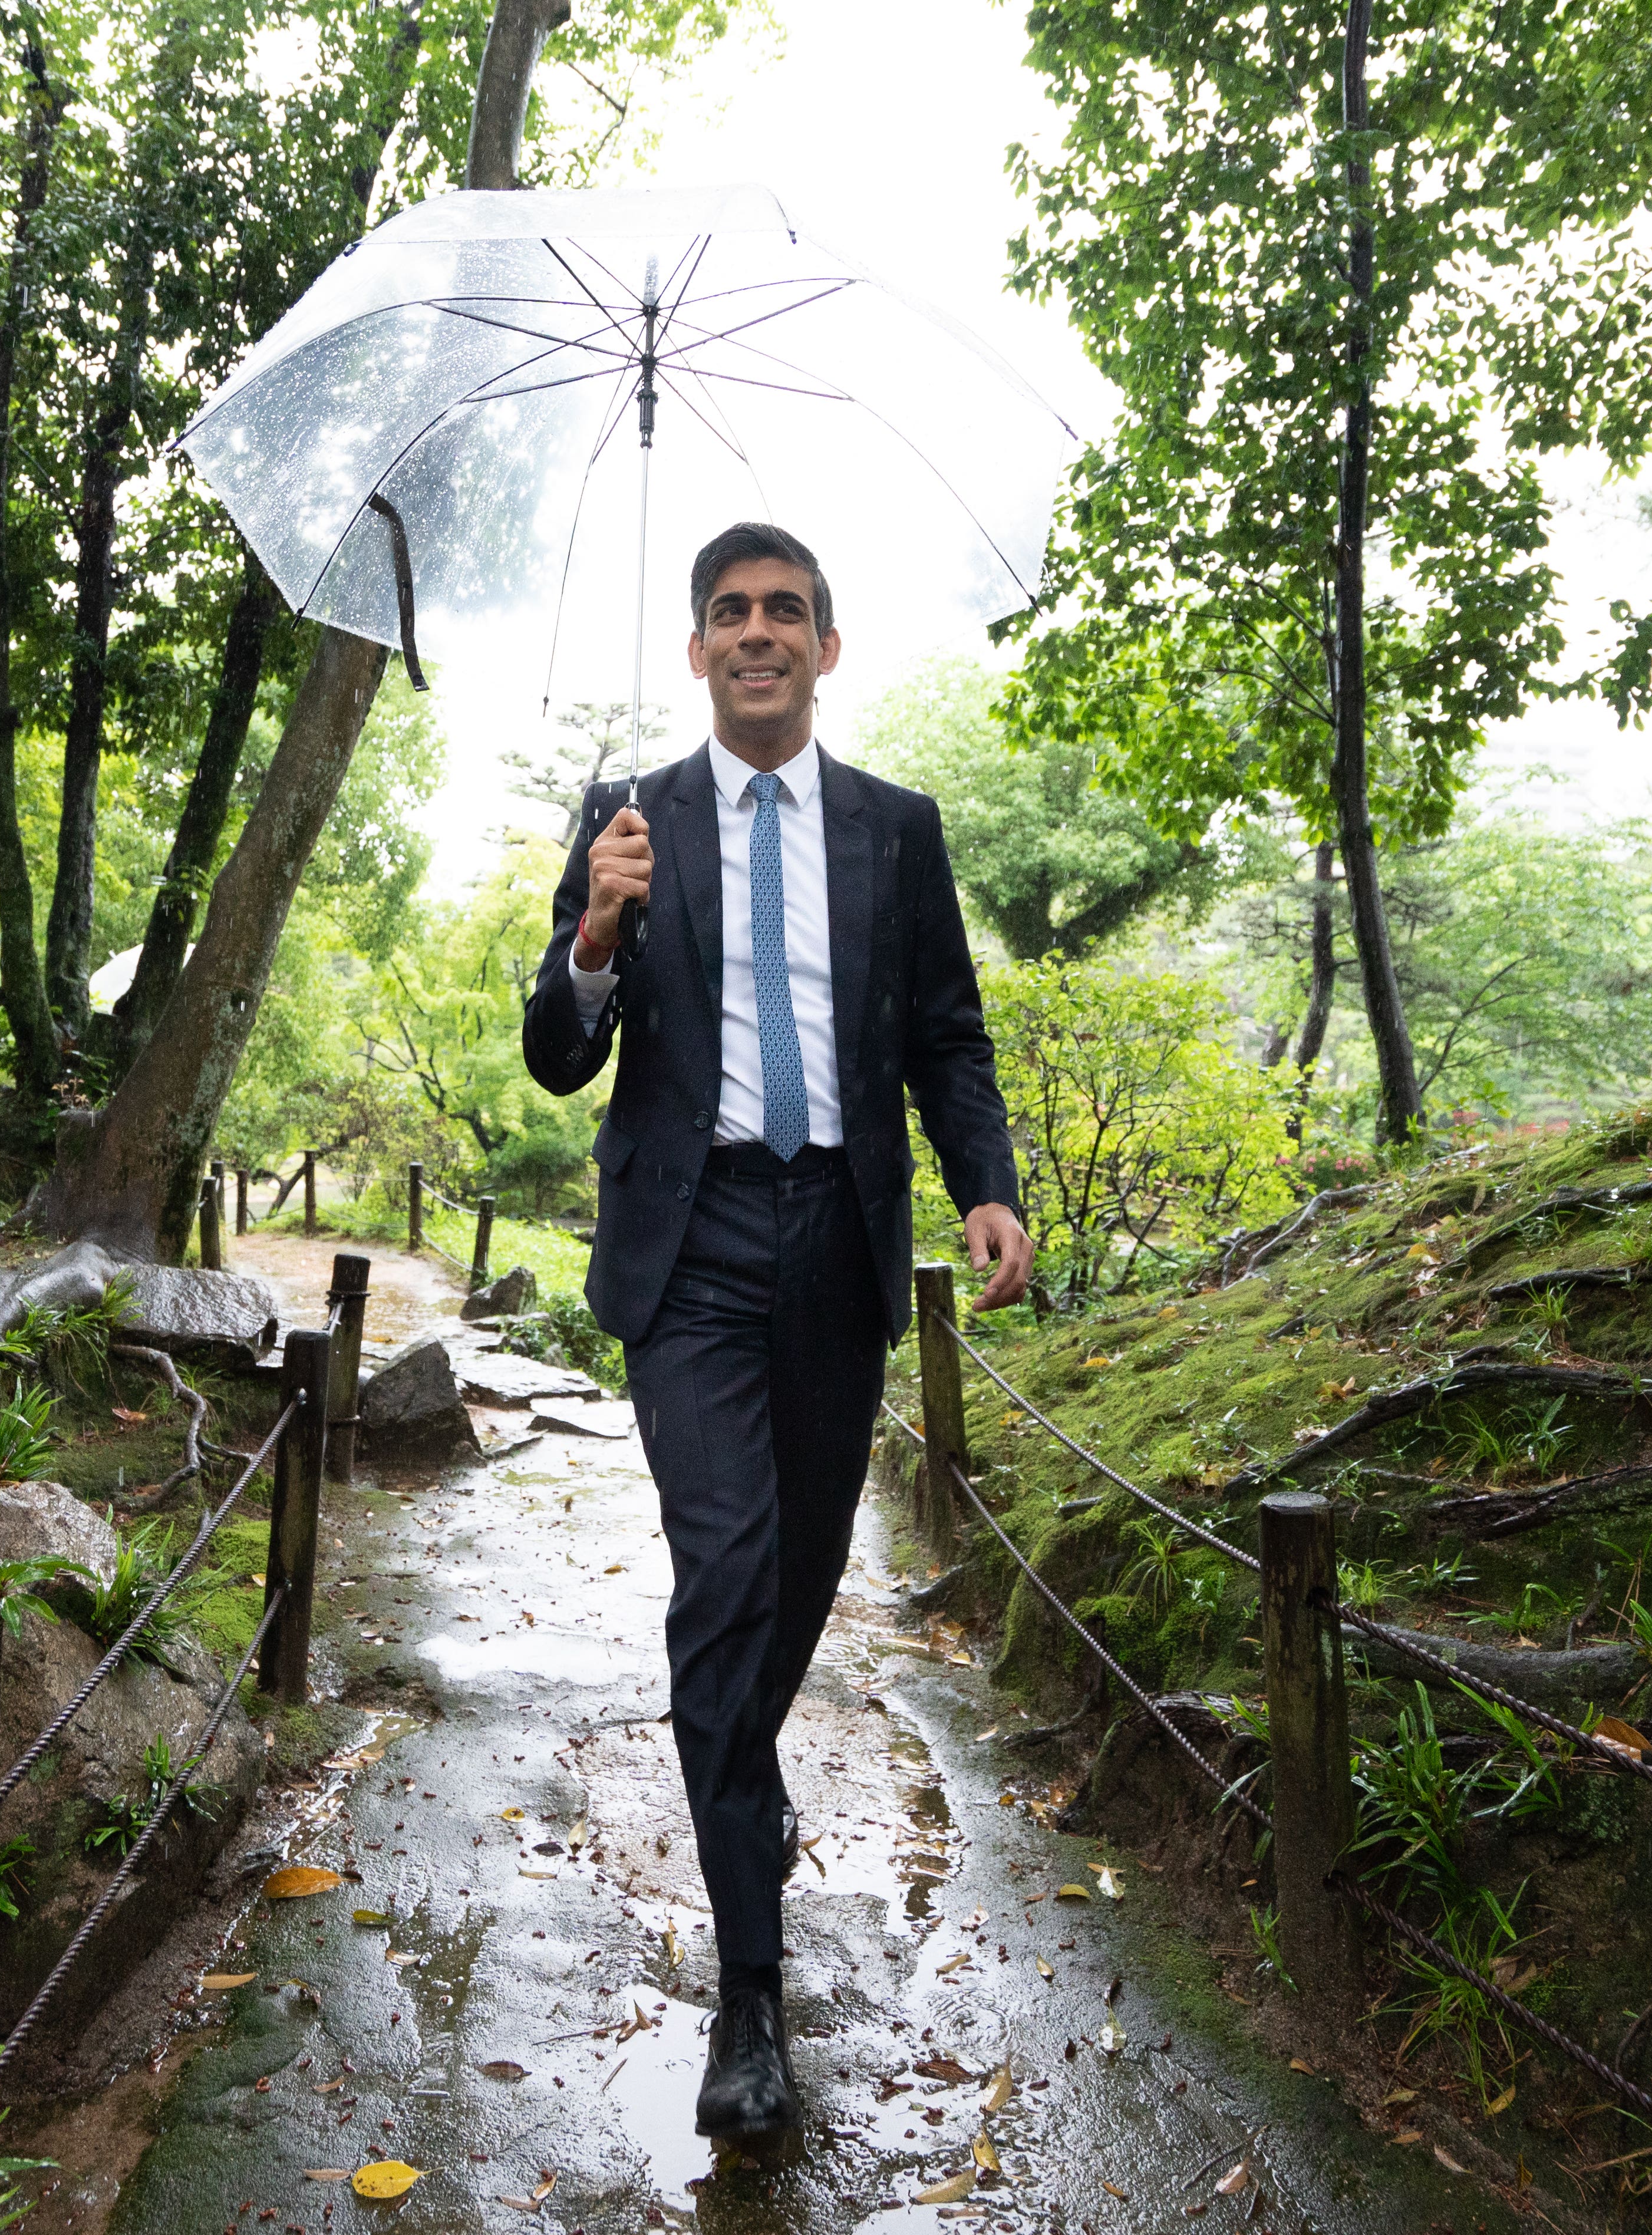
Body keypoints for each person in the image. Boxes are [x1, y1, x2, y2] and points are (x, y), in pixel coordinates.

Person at [522, 520, 1033, 2141]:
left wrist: (988, 1186)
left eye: (785, 613)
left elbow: (947, 1032)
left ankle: (737, 1770)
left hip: (841, 1248)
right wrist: (594, 937)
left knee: (797, 1576)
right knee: (727, 1568)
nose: (757, 633)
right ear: (696, 652)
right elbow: (553, 1056)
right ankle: (750, 1990)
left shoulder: (898, 830)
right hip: (693, 1249)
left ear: (826, 647)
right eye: (730, 613)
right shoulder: (628, 824)